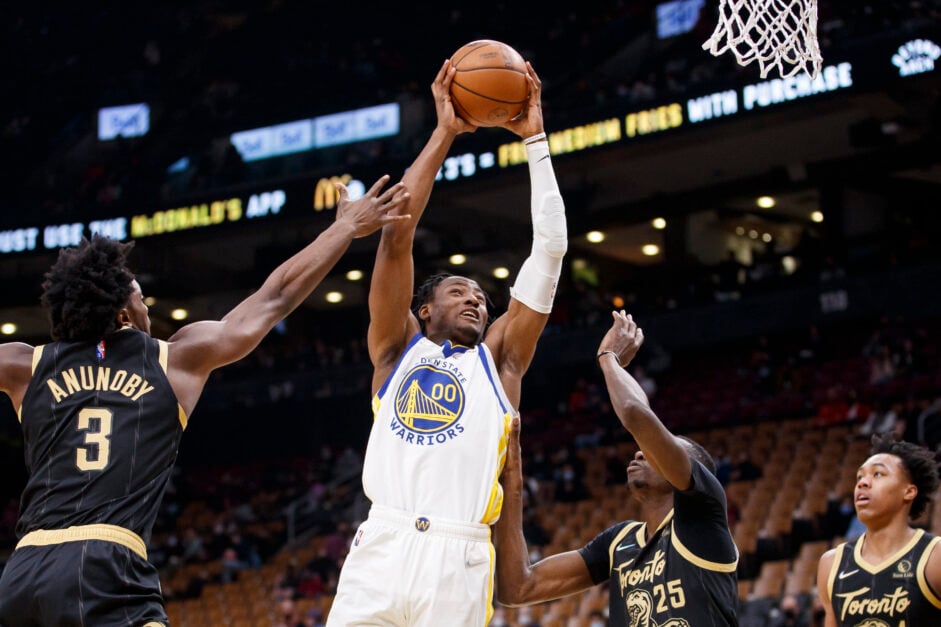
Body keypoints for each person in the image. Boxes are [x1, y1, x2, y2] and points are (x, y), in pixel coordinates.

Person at [0, 175, 410, 626]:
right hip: (105, 564)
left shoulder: (25, 365)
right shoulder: (173, 360)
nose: (147, 309)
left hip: (23, 572)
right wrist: (345, 228)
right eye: (141, 299)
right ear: (122, 313)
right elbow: (273, 299)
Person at [326, 58, 567, 627]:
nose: (475, 299)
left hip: (457, 553)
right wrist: (445, 132)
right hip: (381, 543)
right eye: (459, 291)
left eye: (481, 295)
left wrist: (535, 142)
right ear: (424, 310)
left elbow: (551, 249)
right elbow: (398, 233)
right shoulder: (396, 350)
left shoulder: (500, 359)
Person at [495, 311, 738, 625]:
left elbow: (635, 413)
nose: (640, 452)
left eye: (659, 450)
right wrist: (512, 485)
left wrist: (609, 358)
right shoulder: (619, 542)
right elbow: (517, 588)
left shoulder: (703, 515)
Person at [816, 433, 941, 625]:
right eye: (859, 476)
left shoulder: (935, 556)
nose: (862, 482)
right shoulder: (831, 563)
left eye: (878, 474)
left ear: (908, 491)